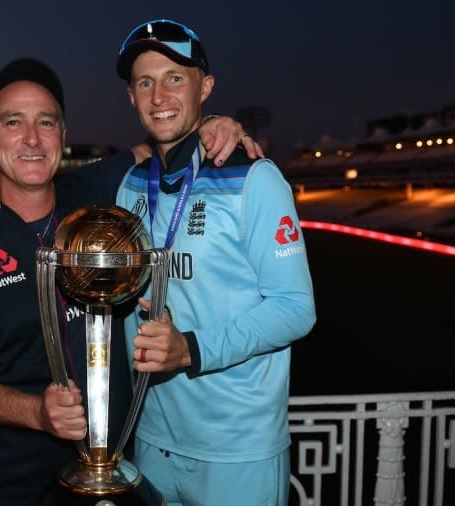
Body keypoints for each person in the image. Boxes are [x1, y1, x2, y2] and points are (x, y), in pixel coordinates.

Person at [0, 57, 254, 505]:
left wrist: (212, 122)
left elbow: (163, 142)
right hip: (15, 487)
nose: (32, 139)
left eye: (47, 122)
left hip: (122, 478)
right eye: (13, 122)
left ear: (63, 134)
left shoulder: (96, 192)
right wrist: (36, 413)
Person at [114, 19, 317, 505]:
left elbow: (296, 307)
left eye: (174, 78)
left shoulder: (255, 178)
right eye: (145, 82)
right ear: (131, 97)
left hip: (236, 452)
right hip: (150, 441)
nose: (159, 94)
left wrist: (191, 349)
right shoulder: (131, 185)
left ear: (205, 88)